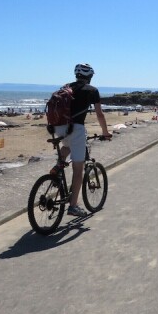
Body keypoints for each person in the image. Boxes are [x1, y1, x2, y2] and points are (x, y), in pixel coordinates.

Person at [51, 63, 112, 217]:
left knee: (67, 146)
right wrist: (105, 133)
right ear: (89, 76)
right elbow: (99, 114)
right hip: (76, 128)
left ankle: (58, 166)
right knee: (78, 170)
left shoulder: (65, 87)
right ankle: (73, 207)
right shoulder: (92, 90)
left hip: (58, 127)